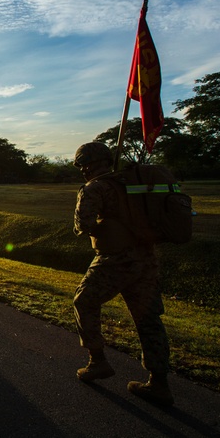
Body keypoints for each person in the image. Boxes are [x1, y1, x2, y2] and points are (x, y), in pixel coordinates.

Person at [71, 141, 173, 406]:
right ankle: (159, 383)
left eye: (83, 165)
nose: (83, 170)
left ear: (89, 164)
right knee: (148, 319)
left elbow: (84, 224)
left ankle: (97, 361)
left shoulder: (95, 188)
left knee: (84, 301)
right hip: (147, 259)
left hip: (116, 260)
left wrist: (104, 227)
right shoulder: (133, 183)